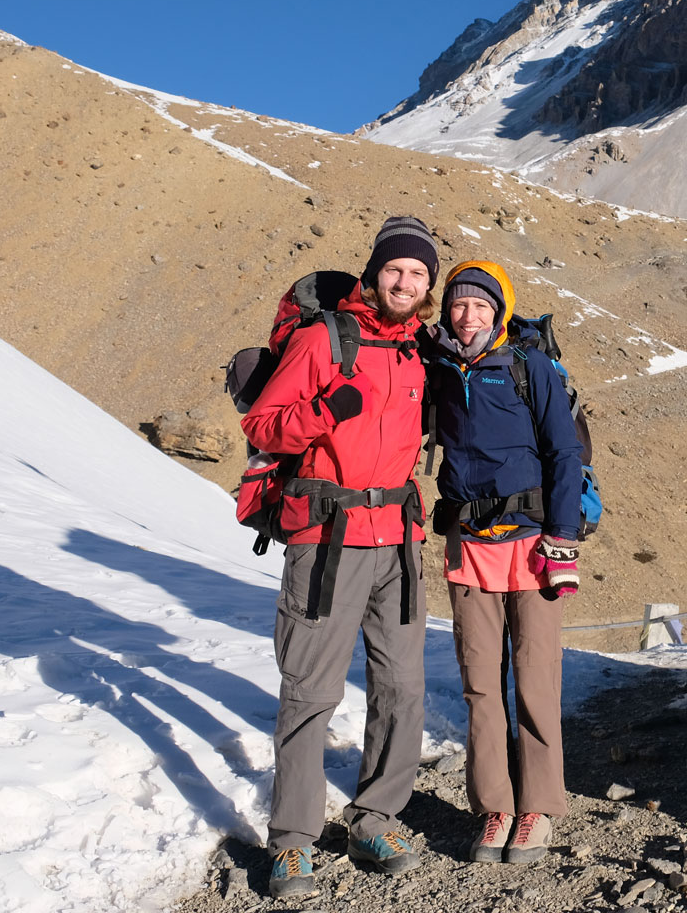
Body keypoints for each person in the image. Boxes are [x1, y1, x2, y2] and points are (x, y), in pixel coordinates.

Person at [240, 216, 439, 899]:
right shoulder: (324, 339)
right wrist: (324, 411)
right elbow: (263, 424)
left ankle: (376, 817)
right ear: (374, 273)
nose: (405, 282)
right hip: (327, 537)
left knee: (403, 688)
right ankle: (292, 841)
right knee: (311, 692)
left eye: (418, 274)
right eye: (396, 270)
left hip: (399, 541)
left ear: (428, 287)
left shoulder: (419, 351)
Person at [420, 260, 584, 865]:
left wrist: (564, 537)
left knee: (536, 678)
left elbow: (565, 452)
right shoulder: (438, 368)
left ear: (500, 312)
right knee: (479, 684)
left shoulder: (527, 366)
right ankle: (495, 807)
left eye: (481, 306)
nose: (469, 316)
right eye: (459, 306)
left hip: (534, 545)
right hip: (469, 546)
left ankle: (537, 806)